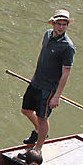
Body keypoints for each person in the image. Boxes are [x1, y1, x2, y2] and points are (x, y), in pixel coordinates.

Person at [20, 9, 75, 152]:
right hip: (36, 82)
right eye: (59, 23)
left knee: (42, 117)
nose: (61, 27)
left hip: (48, 88)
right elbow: (43, 58)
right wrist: (34, 77)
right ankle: (39, 131)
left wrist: (57, 96)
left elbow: (66, 73)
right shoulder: (47, 35)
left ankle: (38, 147)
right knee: (26, 110)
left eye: (64, 24)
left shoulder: (67, 47)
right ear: (53, 23)